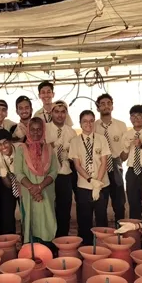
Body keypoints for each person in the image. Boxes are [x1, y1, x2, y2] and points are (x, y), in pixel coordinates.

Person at [69, 110, 111, 246]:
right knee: (84, 220)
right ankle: (86, 247)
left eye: (91, 121)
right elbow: (77, 165)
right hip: (84, 186)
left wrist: (97, 183)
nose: (88, 124)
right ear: (80, 123)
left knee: (101, 218)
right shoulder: (75, 141)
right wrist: (91, 181)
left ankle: (103, 246)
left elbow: (104, 163)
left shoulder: (101, 139)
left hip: (102, 185)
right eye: (85, 121)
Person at [15, 117, 59, 243]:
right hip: (28, 193)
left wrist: (39, 187)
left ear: (43, 130)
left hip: (46, 192)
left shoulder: (49, 149)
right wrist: (32, 188)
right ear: (28, 131)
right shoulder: (21, 149)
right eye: (32, 129)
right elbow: (18, 172)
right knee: (30, 219)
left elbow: (54, 172)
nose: (36, 132)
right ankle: (31, 249)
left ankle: (46, 248)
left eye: (39, 129)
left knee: (47, 219)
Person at [45, 100, 76, 237]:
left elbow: (76, 156)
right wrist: (51, 146)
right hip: (47, 174)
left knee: (64, 209)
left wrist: (69, 153)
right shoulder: (44, 129)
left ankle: (63, 239)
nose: (60, 115)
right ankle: (49, 238)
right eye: (56, 111)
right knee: (49, 208)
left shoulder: (71, 132)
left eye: (63, 112)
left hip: (65, 174)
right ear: (51, 113)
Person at [94, 94, 127, 223]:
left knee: (119, 202)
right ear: (98, 108)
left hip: (116, 165)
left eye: (109, 103)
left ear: (112, 106)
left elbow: (125, 147)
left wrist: (120, 160)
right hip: (99, 167)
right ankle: (102, 230)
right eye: (102, 104)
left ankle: (121, 228)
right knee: (100, 203)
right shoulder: (94, 126)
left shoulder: (121, 125)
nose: (106, 106)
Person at [121, 105, 142, 220]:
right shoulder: (126, 135)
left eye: (139, 116)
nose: (136, 118)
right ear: (130, 118)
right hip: (132, 172)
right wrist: (126, 149)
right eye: (133, 116)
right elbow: (123, 158)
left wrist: (141, 146)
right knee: (133, 205)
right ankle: (135, 228)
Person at [0, 129, 19, 235]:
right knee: (7, 212)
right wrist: (4, 175)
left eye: (5, 142)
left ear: (11, 141)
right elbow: (7, 184)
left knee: (27, 211)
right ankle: (10, 237)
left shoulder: (20, 149)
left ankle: (27, 237)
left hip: (25, 181)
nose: (3, 147)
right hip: (9, 181)